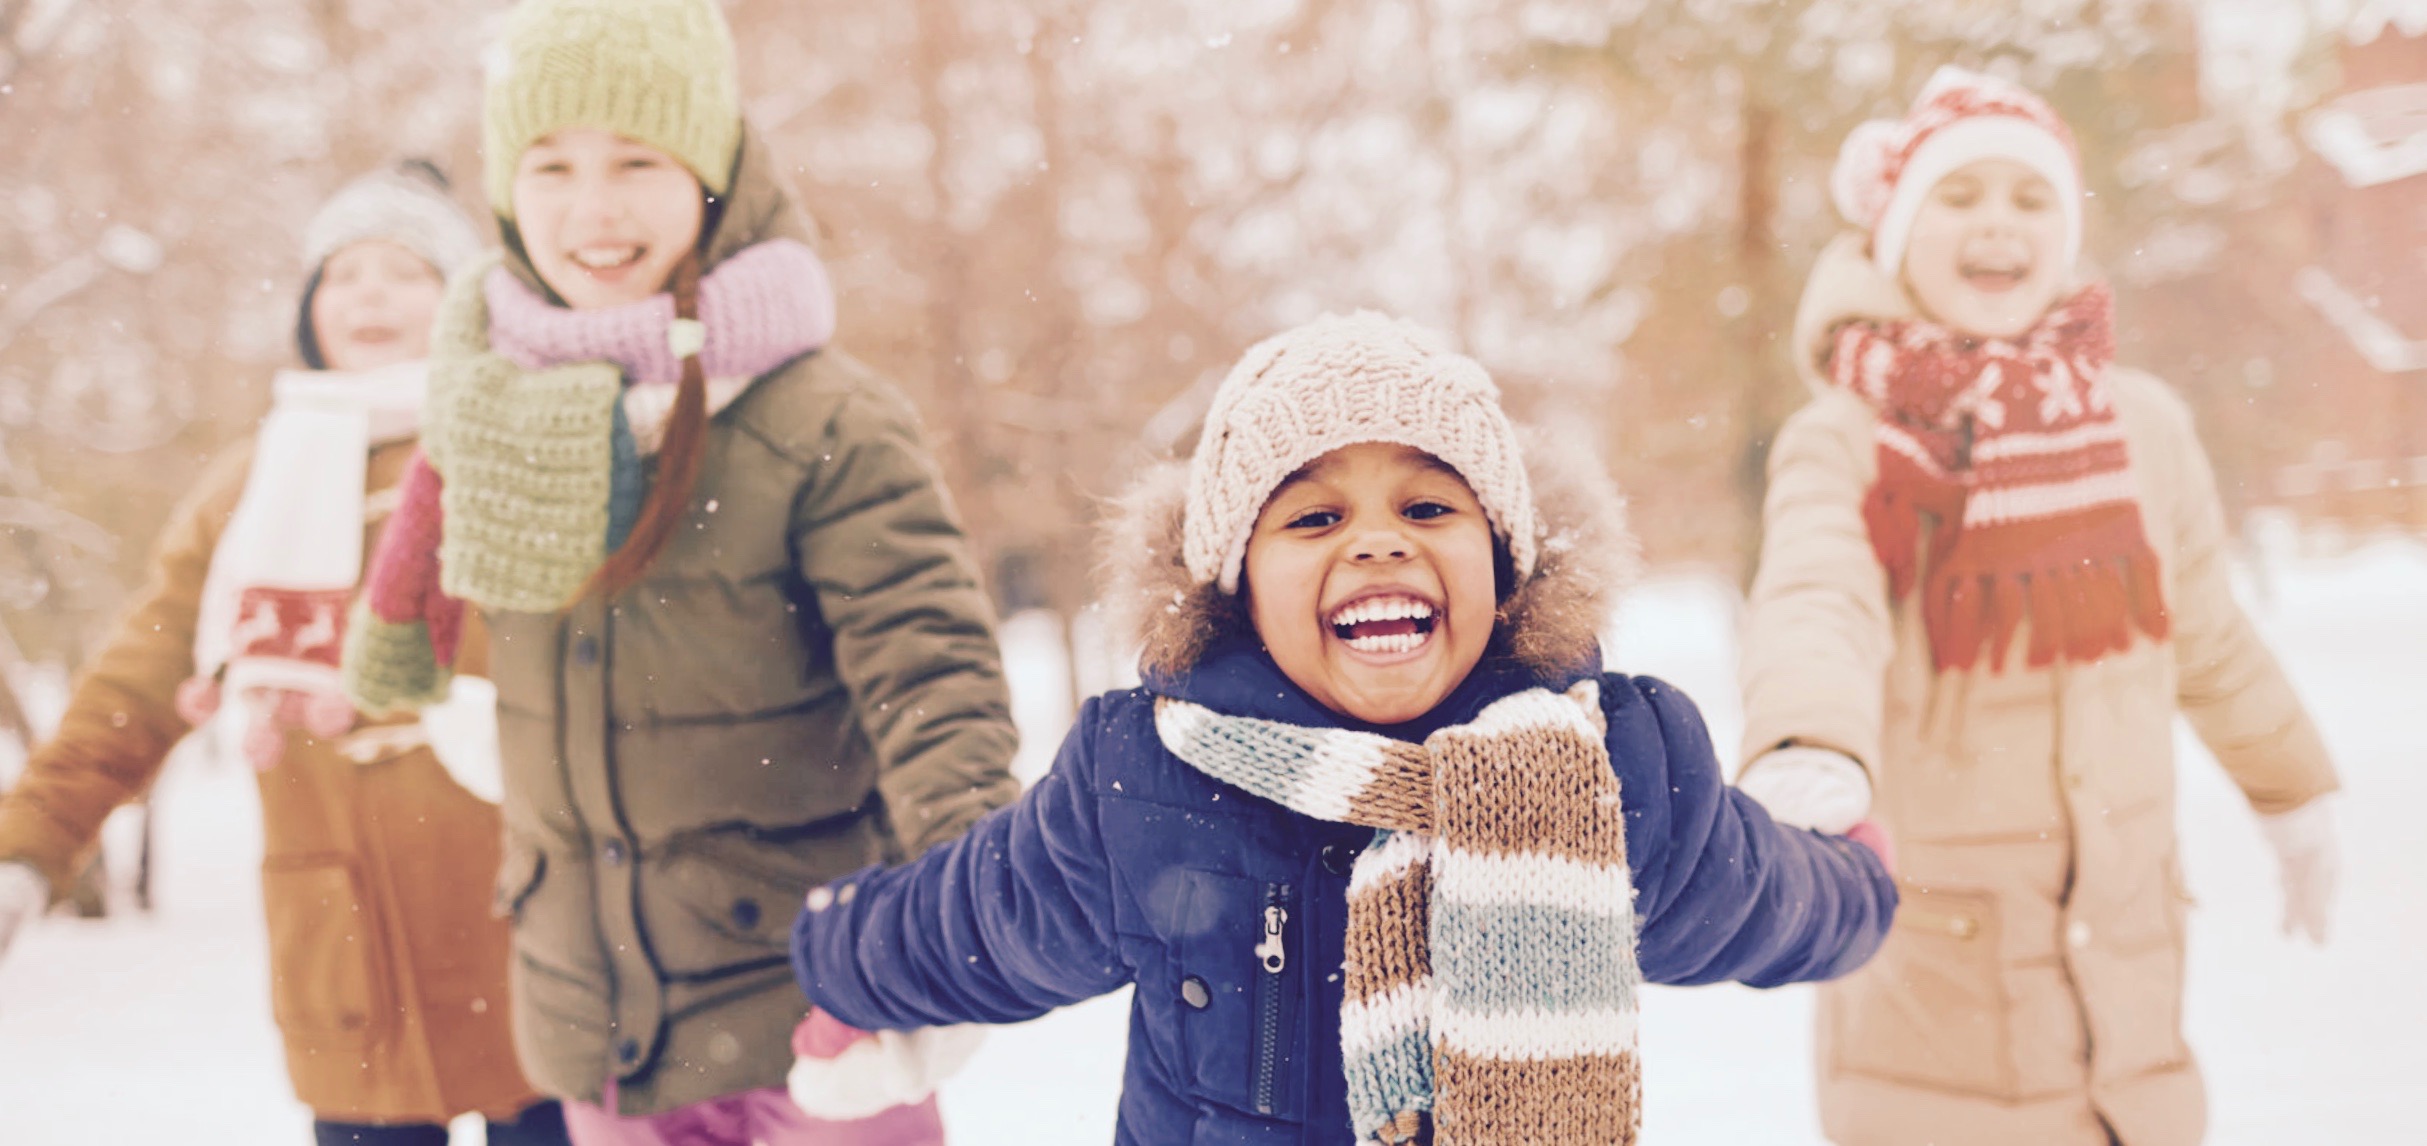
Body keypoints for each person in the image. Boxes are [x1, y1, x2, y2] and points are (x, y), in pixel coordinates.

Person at [787, 311, 1900, 1145]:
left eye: (1427, 508)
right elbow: (985, 915)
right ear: (1235, 585)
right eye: (1314, 517)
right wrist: (843, 961)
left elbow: (1751, 896)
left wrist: (1851, 883)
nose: (1376, 545)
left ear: (1503, 564)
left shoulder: (1609, 768)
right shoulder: (1149, 783)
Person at [337, 2, 1019, 1143]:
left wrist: (944, 957)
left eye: (636, 161)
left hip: (821, 1025)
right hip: (599, 1037)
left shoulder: (827, 420)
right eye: (550, 165)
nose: (590, 208)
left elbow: (937, 696)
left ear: (710, 170)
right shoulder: (491, 404)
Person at [1731, 67, 2343, 1146]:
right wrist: (1808, 739)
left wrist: (2292, 792)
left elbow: (2205, 633)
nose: (1998, 225)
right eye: (1959, 198)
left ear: (2065, 233)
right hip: (1936, 993)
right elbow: (1817, 593)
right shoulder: (1848, 435)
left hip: (2129, 981)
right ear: (1895, 233)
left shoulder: (2141, 426)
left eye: (2030, 198)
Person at [0, 161, 570, 1145]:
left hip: (526, 928)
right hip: (352, 954)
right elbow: (133, 682)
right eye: (343, 275)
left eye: (405, 271)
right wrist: (31, 843)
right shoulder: (252, 486)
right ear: (309, 309)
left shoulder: (523, 446)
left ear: (462, 302)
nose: (371, 295)